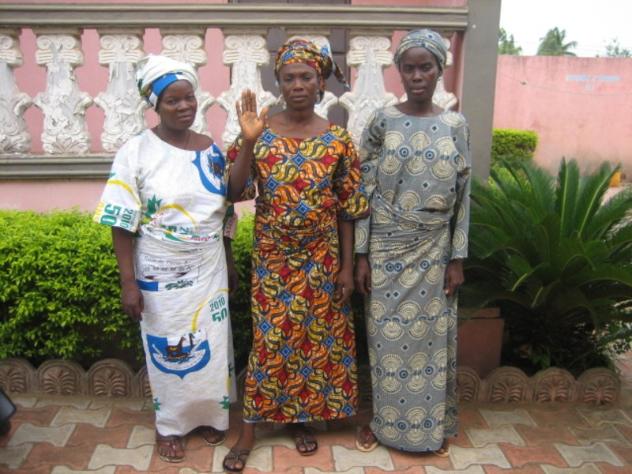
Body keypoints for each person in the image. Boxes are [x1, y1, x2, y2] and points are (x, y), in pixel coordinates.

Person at [222, 39, 369, 472]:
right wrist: (247, 142)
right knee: (270, 342)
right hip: (273, 260)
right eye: (289, 78)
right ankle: (248, 431)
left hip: (323, 261)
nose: (298, 85)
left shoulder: (338, 139)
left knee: (314, 342)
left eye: (306, 77)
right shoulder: (261, 132)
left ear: (320, 82)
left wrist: (346, 267)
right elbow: (234, 191)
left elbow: (348, 208)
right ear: (279, 83)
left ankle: (301, 420)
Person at [93, 54, 237, 463]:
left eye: (189, 97)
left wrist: (230, 263)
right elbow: (121, 221)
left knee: (212, 345)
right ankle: (169, 426)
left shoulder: (211, 150)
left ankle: (211, 416)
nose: (184, 106)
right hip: (160, 270)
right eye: (172, 100)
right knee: (170, 350)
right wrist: (128, 282)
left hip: (209, 269)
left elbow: (226, 213)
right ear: (155, 105)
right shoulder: (136, 152)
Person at [353, 29, 471, 456]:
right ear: (398, 72)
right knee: (385, 343)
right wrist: (361, 254)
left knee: (430, 344)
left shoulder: (456, 125)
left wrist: (457, 258)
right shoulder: (382, 121)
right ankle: (384, 423)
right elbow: (363, 192)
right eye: (409, 68)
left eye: (426, 67)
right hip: (386, 251)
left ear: (440, 69)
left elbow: (463, 195)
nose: (417, 76)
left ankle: (430, 427)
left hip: (435, 252)